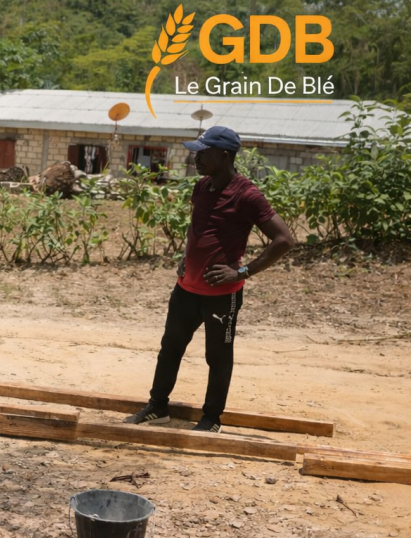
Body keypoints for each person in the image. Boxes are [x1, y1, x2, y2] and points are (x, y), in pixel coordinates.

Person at [123, 126, 295, 433]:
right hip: (186, 289)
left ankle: (211, 418)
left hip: (222, 294)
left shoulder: (248, 194)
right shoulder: (202, 187)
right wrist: (185, 257)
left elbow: (284, 240)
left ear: (224, 156)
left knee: (217, 357)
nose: (196, 158)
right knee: (170, 348)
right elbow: (198, 228)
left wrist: (242, 272)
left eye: (204, 153)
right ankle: (157, 407)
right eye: (196, 152)